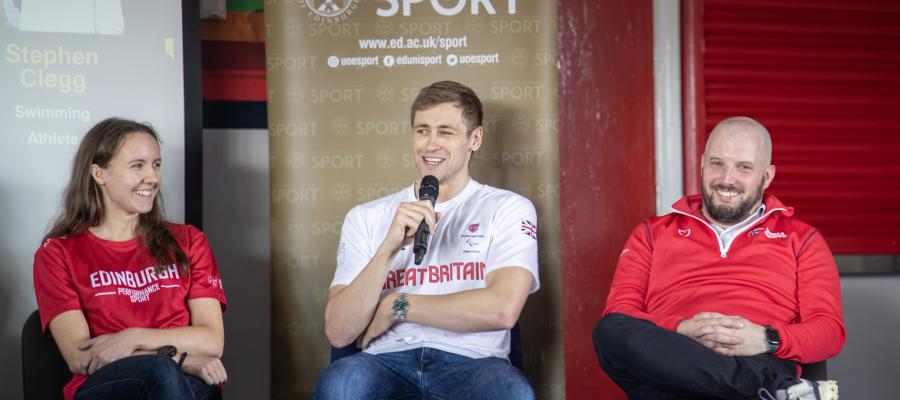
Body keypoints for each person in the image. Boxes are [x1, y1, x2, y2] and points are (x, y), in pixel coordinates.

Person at [314, 81, 540, 399]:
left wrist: (398, 305)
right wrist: (387, 250)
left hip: (474, 364)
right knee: (341, 385)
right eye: (422, 131)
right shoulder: (366, 216)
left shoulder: (507, 208)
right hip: (384, 363)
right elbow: (339, 332)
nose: (430, 144)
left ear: (474, 139)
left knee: (511, 392)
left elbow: (502, 309)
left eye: (445, 132)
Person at [593, 116, 845, 400]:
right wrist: (682, 328)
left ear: (767, 176)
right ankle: (773, 390)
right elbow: (621, 314)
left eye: (743, 168)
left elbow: (828, 332)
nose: (726, 179)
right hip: (672, 356)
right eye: (717, 164)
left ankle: (761, 385)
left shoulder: (802, 239)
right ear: (702, 163)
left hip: (754, 356)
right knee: (610, 330)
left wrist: (765, 338)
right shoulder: (652, 233)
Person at [33, 118, 228, 400]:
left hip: (190, 384)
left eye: (156, 165)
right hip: (108, 386)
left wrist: (133, 337)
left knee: (176, 380)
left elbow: (212, 341)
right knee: (163, 373)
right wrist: (179, 359)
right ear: (99, 174)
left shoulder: (189, 241)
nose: (152, 177)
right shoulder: (56, 254)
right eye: (138, 165)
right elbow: (81, 357)